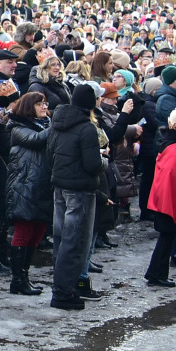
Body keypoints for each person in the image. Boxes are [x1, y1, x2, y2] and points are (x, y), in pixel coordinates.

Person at [47, 84, 104, 310]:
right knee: (76, 241)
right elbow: (92, 165)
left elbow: (49, 154)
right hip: (80, 190)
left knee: (61, 239)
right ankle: (63, 292)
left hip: (60, 186)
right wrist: (103, 161)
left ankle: (62, 287)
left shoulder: (58, 123)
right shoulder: (86, 128)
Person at [144, 107, 176, 287]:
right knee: (166, 239)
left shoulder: (169, 145)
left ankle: (156, 273)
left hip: (164, 201)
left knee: (166, 239)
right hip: (170, 203)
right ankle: (156, 274)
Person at [6, 92, 51, 295]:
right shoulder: (17, 128)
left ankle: (25, 276)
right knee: (24, 231)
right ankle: (17, 280)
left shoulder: (46, 125)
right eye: (39, 104)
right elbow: (35, 140)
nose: (44, 107)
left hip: (42, 185)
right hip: (24, 186)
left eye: (45, 103)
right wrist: (57, 125)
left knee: (38, 232)